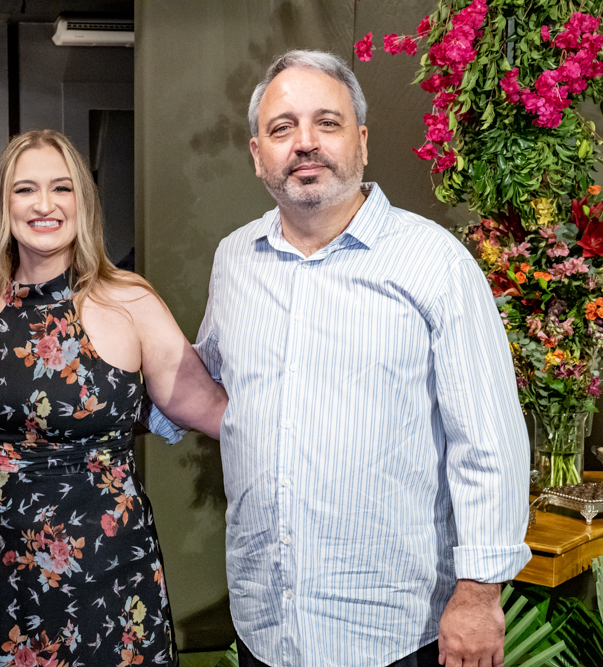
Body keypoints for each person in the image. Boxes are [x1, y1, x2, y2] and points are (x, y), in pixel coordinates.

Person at [149, 50, 531, 667]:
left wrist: (480, 595)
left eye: (327, 123)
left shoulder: (434, 262)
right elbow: (210, 379)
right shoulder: (236, 260)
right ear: (257, 155)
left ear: (362, 141)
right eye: (282, 128)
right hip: (267, 622)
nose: (305, 142)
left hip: (393, 629)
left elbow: (489, 441)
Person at [0, 130, 227, 667]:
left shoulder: (129, 300)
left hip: (107, 567)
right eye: (25, 189)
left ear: (84, 201)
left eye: (62, 188)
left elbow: (213, 410)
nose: (45, 205)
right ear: (2, 205)